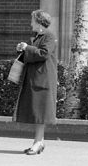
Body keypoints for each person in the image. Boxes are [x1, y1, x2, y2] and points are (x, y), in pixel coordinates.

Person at [13, 9, 58, 154]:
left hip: (43, 79)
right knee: (38, 112)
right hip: (36, 78)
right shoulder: (37, 37)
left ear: (39, 22)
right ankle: (39, 142)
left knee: (40, 113)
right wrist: (22, 49)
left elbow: (43, 54)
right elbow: (34, 55)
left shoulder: (49, 36)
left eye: (33, 20)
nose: (30, 23)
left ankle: (38, 142)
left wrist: (28, 48)